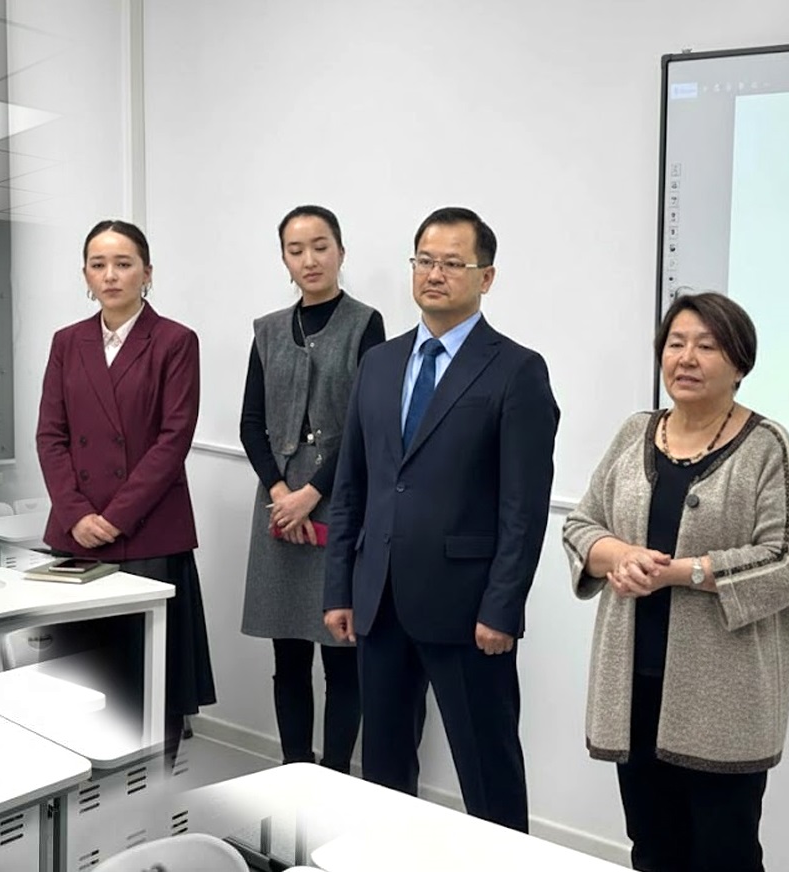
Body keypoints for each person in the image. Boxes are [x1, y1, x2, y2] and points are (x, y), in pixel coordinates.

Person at [322, 207, 558, 831]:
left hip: (467, 610)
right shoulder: (379, 363)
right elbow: (352, 486)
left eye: (453, 263)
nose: (435, 274)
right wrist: (340, 586)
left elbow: (523, 508)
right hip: (380, 601)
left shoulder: (516, 369)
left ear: (487, 277)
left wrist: (502, 607)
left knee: (488, 777)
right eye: (424, 261)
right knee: (384, 776)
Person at [562, 292, 789, 872]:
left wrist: (685, 571)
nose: (687, 358)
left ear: (740, 363)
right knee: (653, 849)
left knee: (726, 854)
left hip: (723, 699)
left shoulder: (767, 445)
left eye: (707, 345)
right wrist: (620, 555)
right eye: (675, 344)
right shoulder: (635, 432)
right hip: (634, 686)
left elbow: (788, 559)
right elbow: (581, 524)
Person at [36, 218, 217, 764]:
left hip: (149, 534)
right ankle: (81, 784)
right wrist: (76, 513)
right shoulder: (67, 342)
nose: (111, 275)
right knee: (83, 677)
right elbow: (51, 435)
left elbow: (173, 439)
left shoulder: (175, 341)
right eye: (99, 265)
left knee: (152, 677)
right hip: (77, 537)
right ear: (86, 276)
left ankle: (154, 790)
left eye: (123, 263)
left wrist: (115, 516)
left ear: (147, 272)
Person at [239, 205, 384, 771]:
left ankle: (336, 775)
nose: (310, 260)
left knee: (341, 653)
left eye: (320, 247)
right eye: (296, 250)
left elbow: (367, 424)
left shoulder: (365, 324)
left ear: (341, 252)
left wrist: (311, 494)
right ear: (284, 259)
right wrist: (280, 492)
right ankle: (294, 769)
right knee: (289, 657)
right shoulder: (267, 329)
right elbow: (251, 424)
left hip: (339, 503)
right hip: (277, 507)